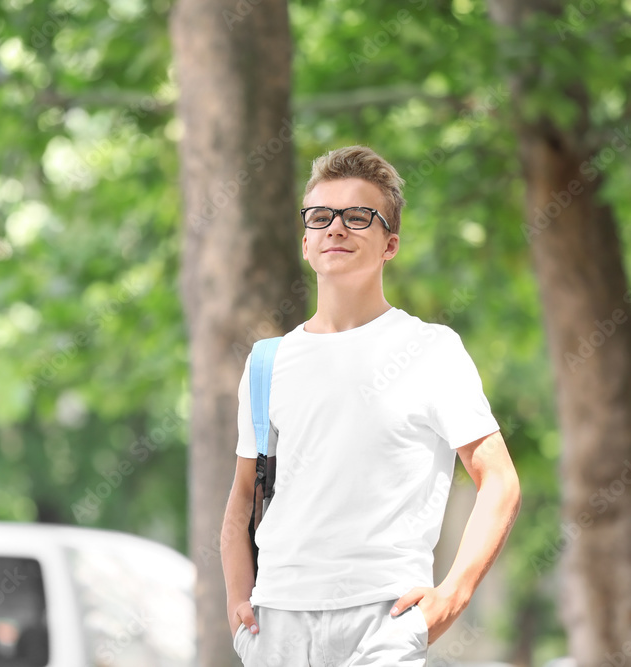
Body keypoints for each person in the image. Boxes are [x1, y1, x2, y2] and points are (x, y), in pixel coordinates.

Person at [221, 145, 522, 666]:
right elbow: (244, 498)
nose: (336, 228)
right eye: (320, 216)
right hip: (277, 626)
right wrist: (236, 605)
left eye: (358, 216)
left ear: (390, 243)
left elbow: (499, 480)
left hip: (383, 622)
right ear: (306, 241)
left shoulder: (431, 350)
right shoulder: (268, 361)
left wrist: (452, 595)